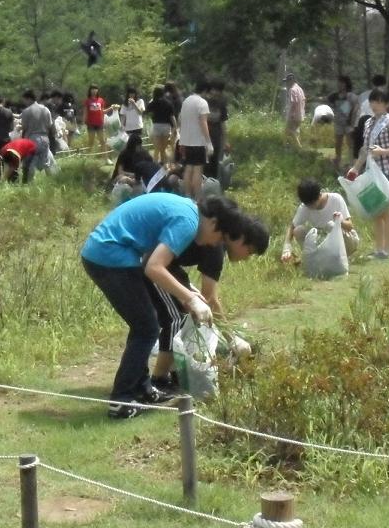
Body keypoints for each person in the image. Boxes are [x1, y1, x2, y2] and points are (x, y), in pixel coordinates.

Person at [80, 194, 261, 419]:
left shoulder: (188, 213)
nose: (214, 245)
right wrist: (191, 298)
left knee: (147, 325)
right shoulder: (188, 221)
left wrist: (188, 293)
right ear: (213, 222)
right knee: (146, 329)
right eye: (218, 238)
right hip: (109, 255)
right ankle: (121, 399)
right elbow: (154, 267)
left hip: (114, 254)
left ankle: (142, 388)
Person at [147, 216, 270, 394]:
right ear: (241, 239)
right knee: (174, 319)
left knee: (183, 312)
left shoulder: (217, 242)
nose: (246, 258)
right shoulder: (216, 247)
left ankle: (175, 372)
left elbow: (207, 297)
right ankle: (159, 379)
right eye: (249, 252)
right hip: (155, 265)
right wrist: (232, 338)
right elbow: (210, 297)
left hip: (168, 265)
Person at [352, 89, 389, 260]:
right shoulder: (368, 123)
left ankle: (387, 250)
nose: (375, 105)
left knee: (386, 211)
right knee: (375, 210)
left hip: (387, 171)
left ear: (387, 104)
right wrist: (355, 167)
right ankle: (378, 249)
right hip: (371, 171)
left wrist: (382, 151)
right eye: (373, 101)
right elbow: (365, 150)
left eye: (379, 102)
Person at [280, 179, 358, 263]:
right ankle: (313, 259)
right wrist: (286, 248)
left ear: (320, 195)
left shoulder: (336, 199)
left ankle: (340, 258)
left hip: (347, 241)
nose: (311, 207)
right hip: (324, 242)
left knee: (331, 225)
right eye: (308, 205)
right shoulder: (305, 208)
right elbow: (292, 227)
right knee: (298, 231)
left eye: (313, 204)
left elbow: (350, 226)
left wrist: (340, 221)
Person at [177, 82, 213, 201]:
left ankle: (187, 195)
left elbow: (180, 119)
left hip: (185, 141)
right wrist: (208, 142)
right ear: (205, 91)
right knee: (198, 169)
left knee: (188, 168)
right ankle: (197, 197)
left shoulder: (186, 101)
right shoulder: (202, 103)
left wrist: (181, 138)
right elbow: (203, 123)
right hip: (198, 142)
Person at [19, 90, 54, 177]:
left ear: (28, 99)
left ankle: (28, 184)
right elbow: (50, 125)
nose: (24, 102)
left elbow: (24, 127)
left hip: (32, 139)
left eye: (25, 100)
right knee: (46, 162)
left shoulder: (26, 111)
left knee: (29, 163)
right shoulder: (46, 109)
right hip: (44, 138)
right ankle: (51, 181)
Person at [204, 80, 228, 181]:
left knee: (213, 160)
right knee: (204, 160)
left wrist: (226, 140)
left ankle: (211, 182)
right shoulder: (203, 101)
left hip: (215, 135)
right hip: (204, 135)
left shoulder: (221, 104)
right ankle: (205, 180)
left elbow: (223, 123)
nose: (215, 93)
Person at [147, 86, 178, 165]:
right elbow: (172, 117)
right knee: (163, 149)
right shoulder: (168, 103)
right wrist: (175, 127)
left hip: (157, 126)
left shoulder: (153, 103)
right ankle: (165, 166)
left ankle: (155, 165)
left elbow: (147, 112)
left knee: (157, 148)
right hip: (166, 127)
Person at [333, 75, 357, 169]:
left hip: (348, 123)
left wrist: (352, 121)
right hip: (338, 123)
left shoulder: (351, 96)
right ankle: (337, 162)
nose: (340, 85)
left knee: (350, 143)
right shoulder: (335, 96)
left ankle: (351, 163)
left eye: (342, 83)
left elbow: (355, 108)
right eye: (339, 83)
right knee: (338, 144)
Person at [118, 86, 146, 152]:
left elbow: (140, 112)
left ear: (136, 94)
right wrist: (122, 125)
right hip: (128, 127)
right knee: (129, 145)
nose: (132, 95)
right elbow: (123, 116)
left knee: (138, 144)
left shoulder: (140, 101)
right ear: (128, 94)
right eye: (130, 93)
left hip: (137, 126)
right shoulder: (124, 104)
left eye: (133, 93)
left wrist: (134, 103)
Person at [83, 85, 107, 152]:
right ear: (90, 91)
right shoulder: (87, 101)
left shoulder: (101, 100)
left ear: (97, 90)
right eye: (92, 89)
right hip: (91, 124)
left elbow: (102, 112)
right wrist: (84, 122)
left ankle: (106, 158)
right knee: (91, 141)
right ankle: (88, 157)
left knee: (103, 141)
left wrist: (111, 108)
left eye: (95, 89)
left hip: (99, 123)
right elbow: (85, 112)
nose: (94, 91)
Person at [284, 73, 305, 147]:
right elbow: (304, 100)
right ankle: (290, 147)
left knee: (290, 131)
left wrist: (292, 114)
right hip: (301, 114)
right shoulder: (300, 89)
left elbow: (293, 103)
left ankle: (299, 147)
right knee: (295, 131)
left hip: (293, 115)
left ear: (291, 80)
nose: (286, 83)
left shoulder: (292, 90)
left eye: (287, 81)